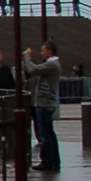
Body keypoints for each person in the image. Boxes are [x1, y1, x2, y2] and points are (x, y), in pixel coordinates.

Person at [23, 42, 64, 172]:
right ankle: (53, 161)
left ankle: (47, 161)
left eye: (43, 50)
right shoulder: (52, 65)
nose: (41, 53)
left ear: (50, 51)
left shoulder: (52, 65)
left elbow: (34, 69)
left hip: (44, 103)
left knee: (45, 134)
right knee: (49, 133)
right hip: (45, 102)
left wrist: (26, 56)